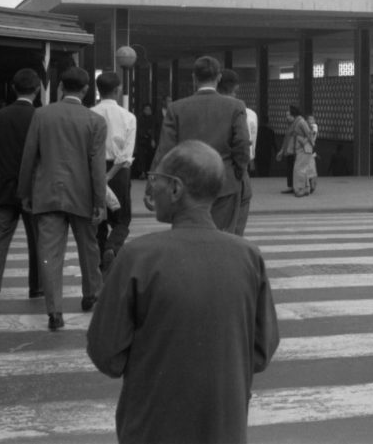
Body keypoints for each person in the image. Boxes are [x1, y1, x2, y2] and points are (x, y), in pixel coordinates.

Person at [87, 140, 279, 444]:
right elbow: (262, 350)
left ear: (176, 189)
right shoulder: (248, 257)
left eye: (155, 181)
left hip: (151, 427)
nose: (151, 191)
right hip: (224, 429)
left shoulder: (138, 256)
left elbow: (105, 353)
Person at [18, 66, 107, 331]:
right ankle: (91, 293)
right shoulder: (95, 121)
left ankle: (54, 311)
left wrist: (24, 192)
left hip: (47, 193)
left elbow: (29, 156)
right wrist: (100, 201)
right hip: (82, 195)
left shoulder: (41, 115)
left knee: (49, 254)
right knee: (88, 248)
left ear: (60, 87)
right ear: (86, 89)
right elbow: (97, 167)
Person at [153, 56, 250, 231]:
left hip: (186, 184)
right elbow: (242, 144)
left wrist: (153, 184)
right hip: (224, 181)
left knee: (187, 232)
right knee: (223, 234)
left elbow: (165, 150)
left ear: (194, 77)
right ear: (219, 77)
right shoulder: (235, 106)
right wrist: (237, 172)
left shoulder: (176, 108)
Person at [0, 68, 42, 312]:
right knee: (37, 240)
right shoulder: (41, 116)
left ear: (13, 88)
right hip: (34, 189)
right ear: (38, 89)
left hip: (4, 187)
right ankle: (36, 286)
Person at [91, 72, 136, 271]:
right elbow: (126, 154)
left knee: (98, 217)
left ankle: (102, 258)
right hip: (118, 173)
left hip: (94, 168)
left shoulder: (90, 113)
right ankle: (112, 246)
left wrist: (99, 177)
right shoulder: (128, 117)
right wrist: (108, 177)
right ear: (118, 90)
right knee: (122, 219)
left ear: (98, 90)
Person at [217, 69, 255, 235]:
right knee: (236, 226)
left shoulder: (205, 108)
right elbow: (244, 144)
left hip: (207, 171)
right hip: (235, 171)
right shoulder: (247, 112)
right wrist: (240, 170)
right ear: (237, 87)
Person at [279, 105, 316, 197]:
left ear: (293, 114)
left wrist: (304, 142)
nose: (287, 117)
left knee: (298, 169)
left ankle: (300, 189)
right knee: (302, 169)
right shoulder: (296, 123)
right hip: (300, 149)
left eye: (289, 115)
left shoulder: (300, 122)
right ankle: (306, 188)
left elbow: (309, 133)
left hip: (303, 149)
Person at [132, 103, 158, 180]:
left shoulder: (153, 119)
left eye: (149, 110)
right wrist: (145, 134)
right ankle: (142, 172)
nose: (148, 111)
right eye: (146, 109)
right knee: (141, 157)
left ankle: (149, 172)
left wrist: (152, 138)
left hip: (150, 141)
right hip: (142, 140)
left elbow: (154, 130)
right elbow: (139, 129)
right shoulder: (140, 118)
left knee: (150, 157)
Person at [254, 112, 277, 178]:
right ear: (267, 122)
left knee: (259, 166)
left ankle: (260, 176)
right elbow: (273, 142)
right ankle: (266, 176)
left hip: (258, 151)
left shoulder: (257, 131)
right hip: (267, 151)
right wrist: (276, 151)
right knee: (266, 166)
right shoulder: (270, 131)